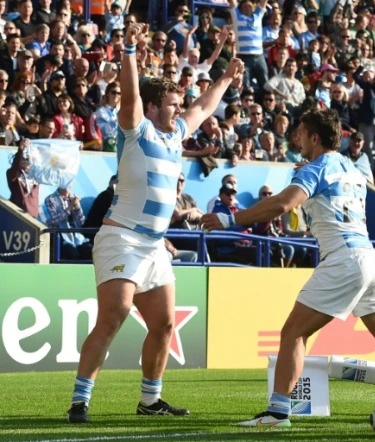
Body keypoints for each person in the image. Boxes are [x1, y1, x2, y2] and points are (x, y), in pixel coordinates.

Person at [200, 109, 375, 428]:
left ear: (315, 138)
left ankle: (277, 412)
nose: (298, 139)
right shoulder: (350, 168)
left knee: (293, 332)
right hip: (369, 259)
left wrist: (230, 219)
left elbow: (283, 204)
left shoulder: (316, 168)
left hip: (344, 258)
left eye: (302, 134)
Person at [66, 22, 245, 424]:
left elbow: (204, 106)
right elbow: (130, 94)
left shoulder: (176, 133)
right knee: (113, 317)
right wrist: (129, 48)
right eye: (171, 104)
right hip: (121, 239)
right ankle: (80, 401)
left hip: (153, 246)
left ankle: (150, 400)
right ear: (151, 108)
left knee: (164, 324)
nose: (179, 109)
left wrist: (227, 78)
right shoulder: (137, 130)